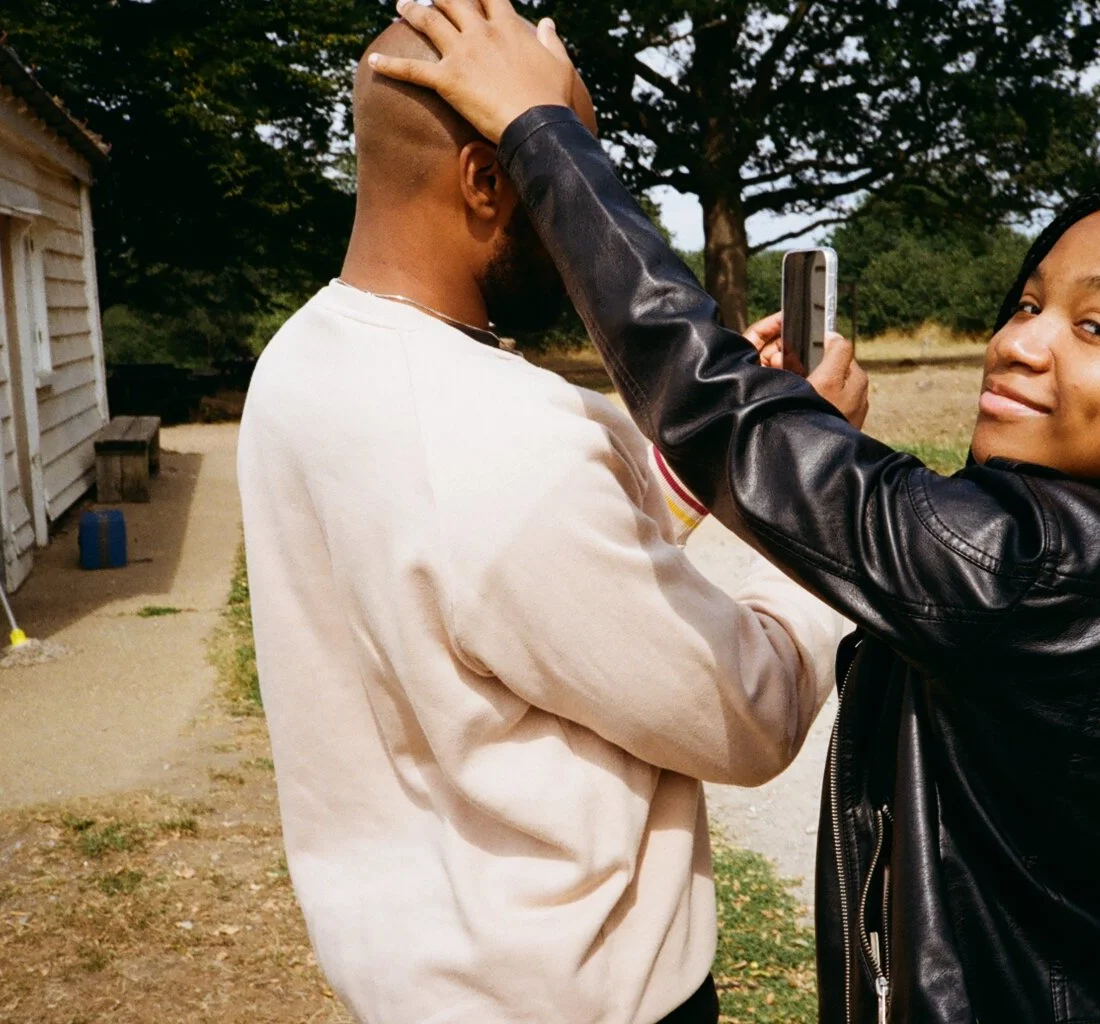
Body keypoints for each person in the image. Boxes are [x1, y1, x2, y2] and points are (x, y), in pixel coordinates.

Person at [371, 4, 1100, 1022]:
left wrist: (547, 133)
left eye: (1096, 326)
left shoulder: (1022, 572)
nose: (1022, 344)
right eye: (1029, 304)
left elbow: (714, 406)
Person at [235, 19, 858, 1024]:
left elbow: (502, 576)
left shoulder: (303, 361)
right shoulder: (504, 441)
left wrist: (704, 466)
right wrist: (815, 488)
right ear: (488, 181)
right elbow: (754, 710)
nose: (596, 206)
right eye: (568, 161)